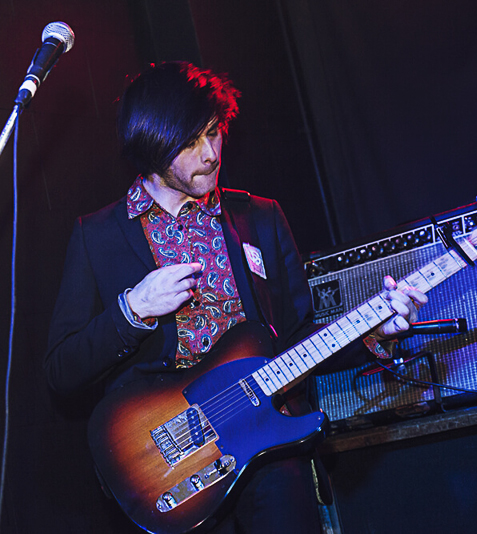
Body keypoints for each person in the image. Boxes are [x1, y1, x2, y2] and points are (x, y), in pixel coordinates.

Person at [45, 62, 427, 534]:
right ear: (150, 149)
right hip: (169, 462)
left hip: (267, 447)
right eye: (189, 143)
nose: (210, 154)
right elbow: (62, 370)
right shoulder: (97, 236)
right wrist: (133, 310)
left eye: (214, 133)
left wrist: (375, 332)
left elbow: (297, 340)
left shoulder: (259, 218)